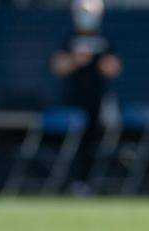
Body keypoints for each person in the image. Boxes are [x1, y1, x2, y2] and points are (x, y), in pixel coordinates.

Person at [50, 0, 122, 193]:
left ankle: (92, 182)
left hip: (98, 100)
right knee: (74, 141)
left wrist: (101, 63)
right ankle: (74, 181)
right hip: (72, 100)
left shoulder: (105, 38)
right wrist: (75, 60)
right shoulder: (69, 37)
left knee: (96, 141)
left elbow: (114, 68)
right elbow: (58, 66)